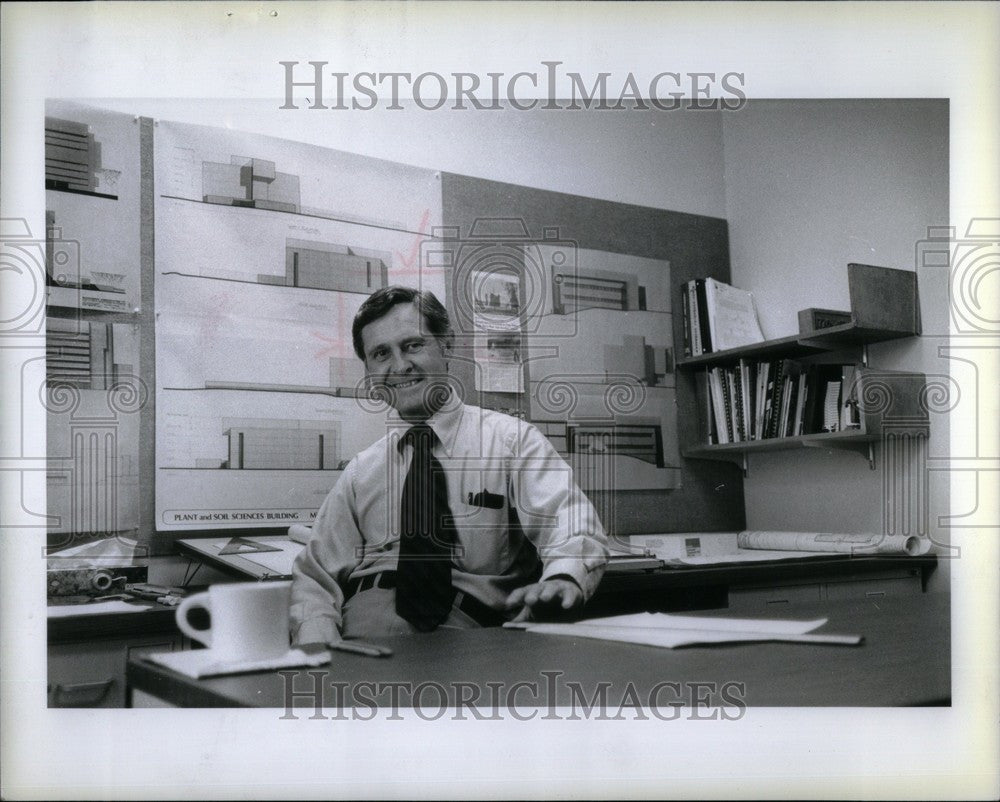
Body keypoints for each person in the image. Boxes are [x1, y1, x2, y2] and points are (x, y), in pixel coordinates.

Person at [290, 286, 608, 644]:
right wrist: (318, 648)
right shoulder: (362, 471)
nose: (399, 366)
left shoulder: (511, 442)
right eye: (381, 354)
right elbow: (315, 575)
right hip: (358, 633)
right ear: (369, 371)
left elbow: (570, 522)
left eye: (413, 345)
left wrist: (563, 578)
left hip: (466, 634)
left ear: (448, 345)